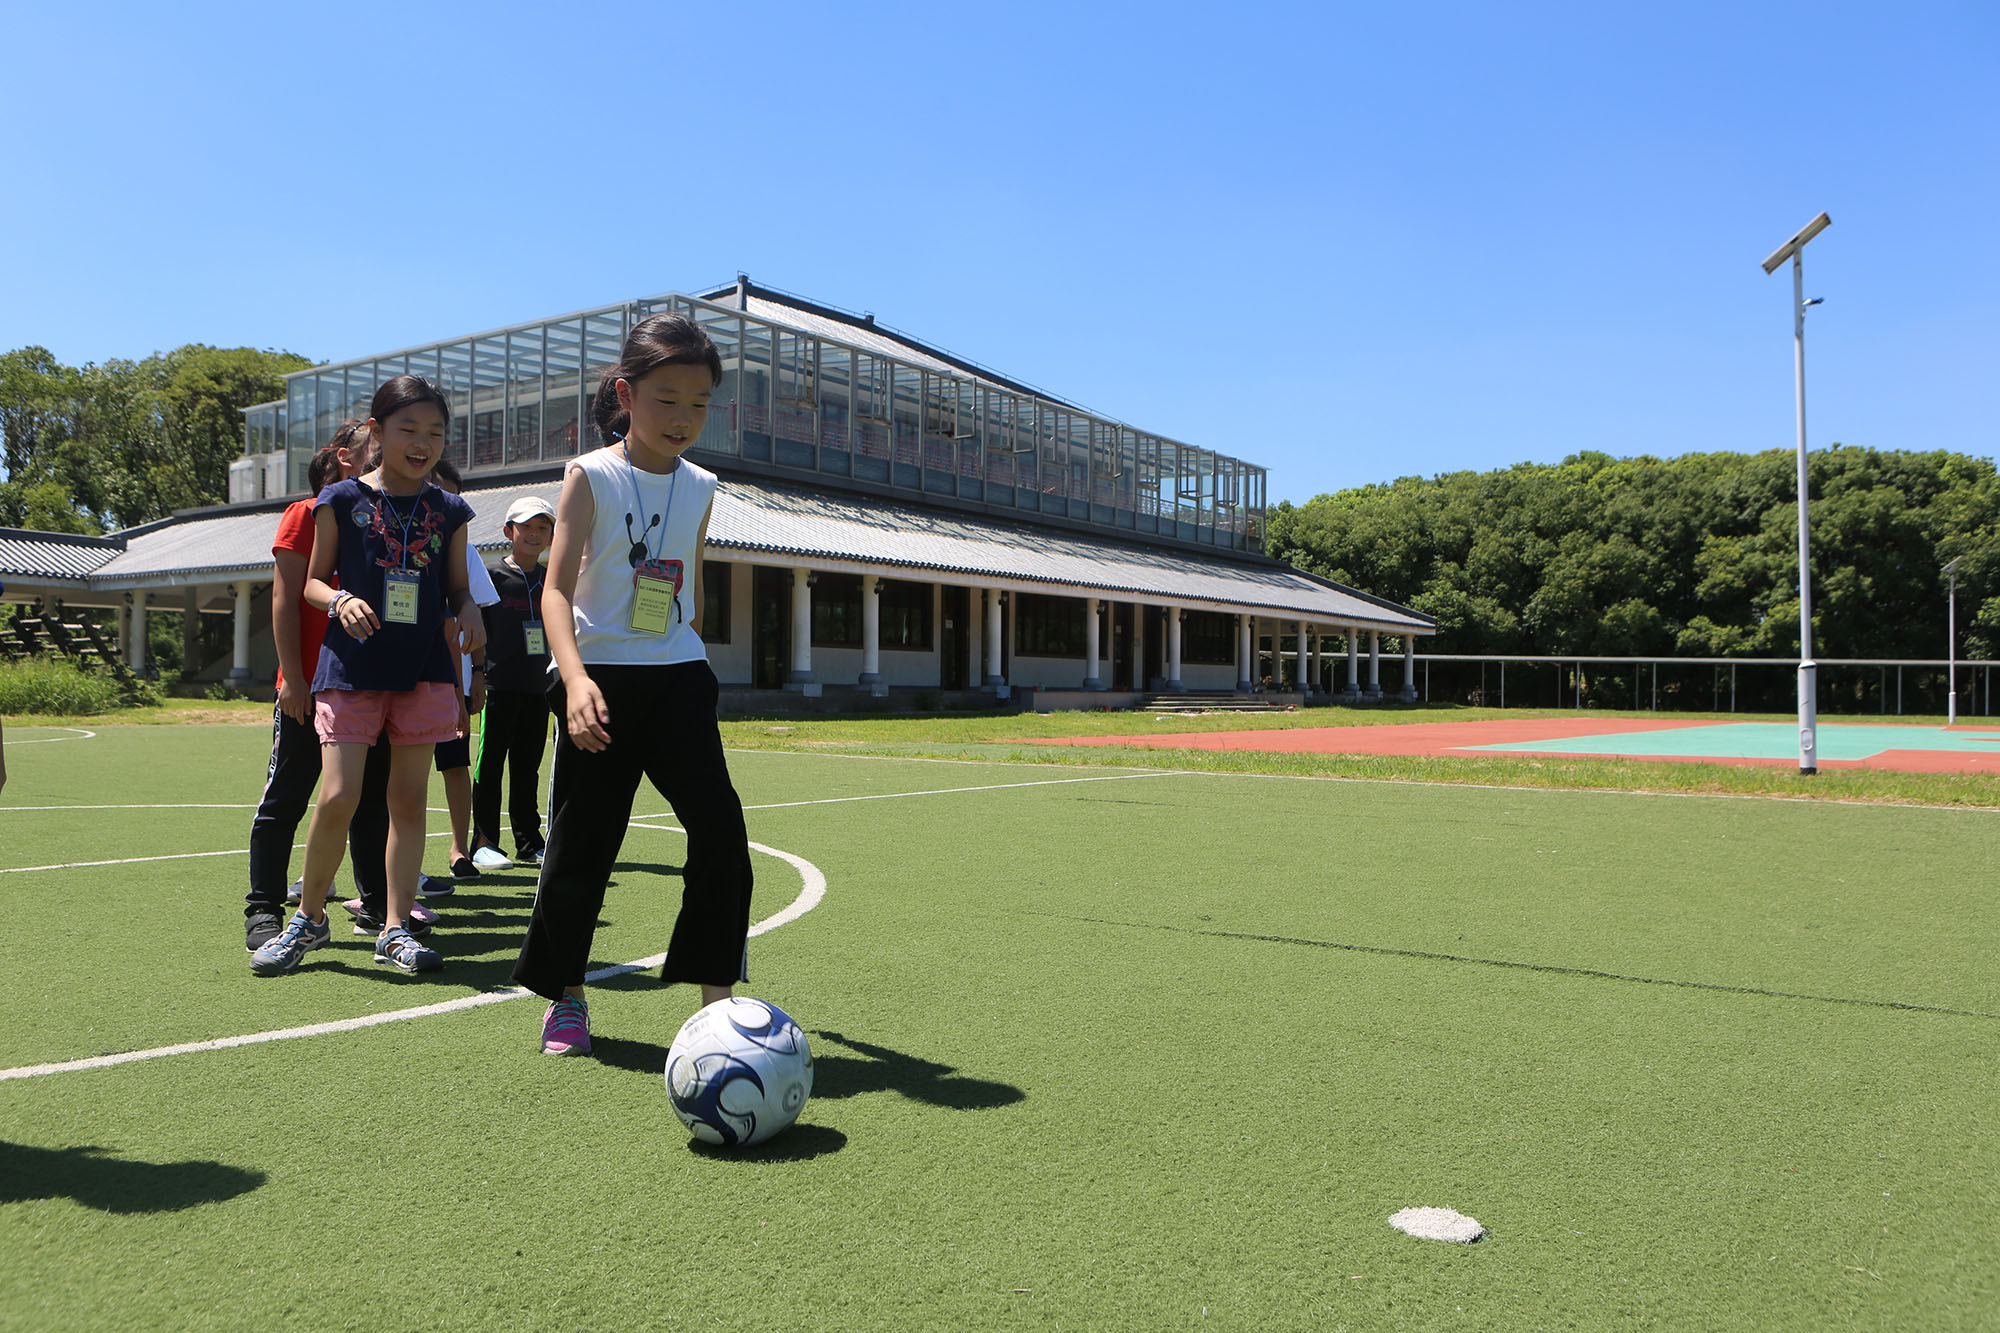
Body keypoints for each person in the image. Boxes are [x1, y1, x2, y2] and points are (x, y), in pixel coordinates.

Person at [511, 314, 754, 1055]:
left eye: (699, 403)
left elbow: (692, 587)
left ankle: (718, 1003)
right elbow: (555, 591)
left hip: (679, 678)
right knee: (584, 845)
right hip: (600, 681)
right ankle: (567, 997)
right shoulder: (591, 475)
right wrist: (574, 679)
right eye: (666, 399)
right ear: (626, 394)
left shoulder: (703, 486)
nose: (683, 417)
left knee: (721, 834)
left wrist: (695, 661)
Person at [252, 375, 484, 976]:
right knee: (338, 795)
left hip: (424, 672)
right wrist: (338, 600)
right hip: (350, 668)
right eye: (409, 429)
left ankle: (395, 928)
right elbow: (311, 582)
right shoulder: (340, 499)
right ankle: (308, 919)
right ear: (378, 431)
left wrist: (468, 611)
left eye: (435, 433)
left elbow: (457, 589)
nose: (423, 443)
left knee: (407, 800)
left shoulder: (450, 509)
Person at [244, 423, 400, 953]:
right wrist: (293, 677)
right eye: (374, 441)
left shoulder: (385, 518)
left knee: (371, 800)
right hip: (310, 687)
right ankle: (264, 908)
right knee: (286, 797)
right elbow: (285, 600)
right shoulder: (306, 513)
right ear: (344, 458)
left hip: (364, 687)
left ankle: (377, 905)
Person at [468, 495, 556, 871]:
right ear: (508, 531)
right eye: (526, 527)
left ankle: (529, 842)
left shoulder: (553, 578)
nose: (534, 534)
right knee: (489, 765)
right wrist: (476, 674)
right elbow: (474, 630)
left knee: (527, 767)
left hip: (538, 688)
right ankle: (484, 842)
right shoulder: (491, 576)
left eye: (543, 527)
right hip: (497, 686)